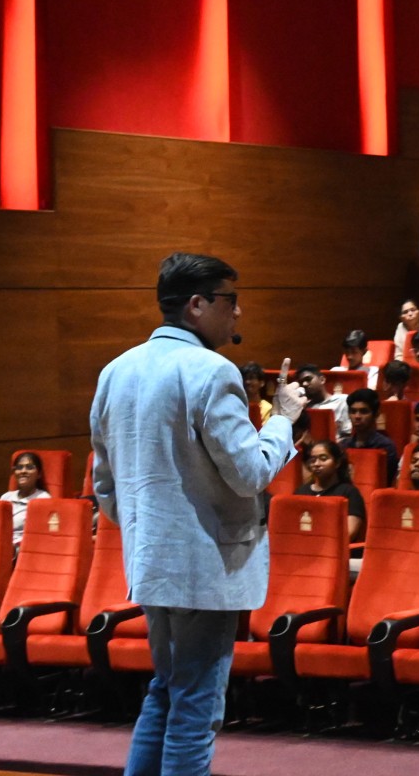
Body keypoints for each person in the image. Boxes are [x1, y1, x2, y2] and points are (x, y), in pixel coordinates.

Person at [89, 252, 306, 776]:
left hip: (149, 559)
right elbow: (251, 473)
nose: (238, 312)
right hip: (206, 566)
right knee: (196, 704)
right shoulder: (211, 371)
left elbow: (105, 487)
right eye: (230, 301)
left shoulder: (115, 371)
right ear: (196, 305)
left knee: (167, 689)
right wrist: (283, 418)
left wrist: (151, 528)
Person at [300, 440, 366, 542]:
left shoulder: (349, 493)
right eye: (313, 460)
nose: (316, 464)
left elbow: (349, 533)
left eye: (323, 459)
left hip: (336, 549)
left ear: (337, 463)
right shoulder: (301, 492)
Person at [339, 388, 400, 482]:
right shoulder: (343, 445)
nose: (357, 416)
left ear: (376, 414)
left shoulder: (385, 447)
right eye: (353, 411)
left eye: (364, 411)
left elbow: (385, 480)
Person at [0, 451, 51, 551]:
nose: (23, 471)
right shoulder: (6, 497)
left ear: (39, 474)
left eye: (29, 467)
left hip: (23, 549)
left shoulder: (43, 499)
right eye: (19, 467)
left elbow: (40, 535)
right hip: (0, 544)